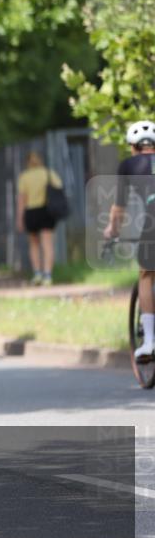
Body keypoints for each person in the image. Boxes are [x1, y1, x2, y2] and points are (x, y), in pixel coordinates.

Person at [104, 120, 155, 361]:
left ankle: (149, 343)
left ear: (134, 147)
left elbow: (119, 208)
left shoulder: (128, 164)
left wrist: (112, 230)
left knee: (146, 274)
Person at [16, 152, 63, 286]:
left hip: (31, 212)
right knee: (48, 244)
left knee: (34, 244)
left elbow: (22, 199)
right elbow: (59, 187)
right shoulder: (48, 173)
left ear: (27, 162)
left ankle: (37, 273)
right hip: (47, 211)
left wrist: (20, 218)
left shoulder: (24, 176)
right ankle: (48, 275)